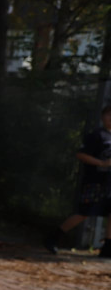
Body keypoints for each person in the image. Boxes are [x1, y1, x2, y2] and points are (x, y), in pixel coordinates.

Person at [43, 104, 111, 257]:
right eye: (109, 115)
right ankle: (53, 238)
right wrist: (101, 163)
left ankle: (107, 247)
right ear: (103, 117)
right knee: (84, 212)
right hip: (95, 182)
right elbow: (81, 155)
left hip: (109, 183)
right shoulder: (96, 135)